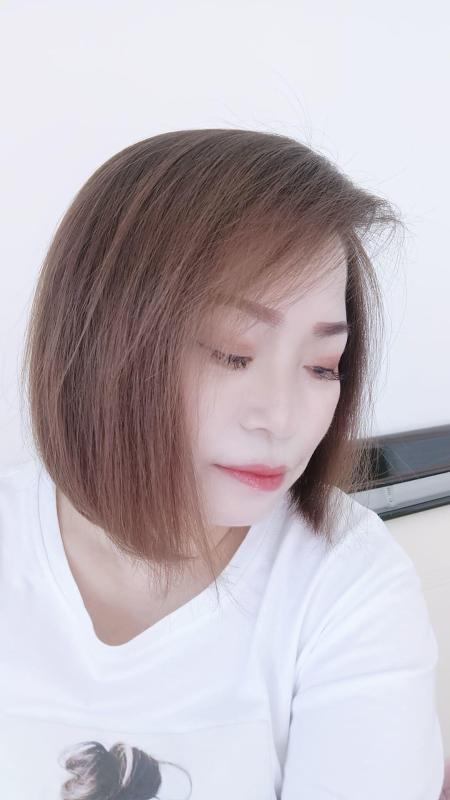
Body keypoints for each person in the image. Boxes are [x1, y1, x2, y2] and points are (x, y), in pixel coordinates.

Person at [0, 128, 444, 798]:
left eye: (322, 365)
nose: (282, 417)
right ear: (101, 342)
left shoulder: (346, 581)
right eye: (233, 353)